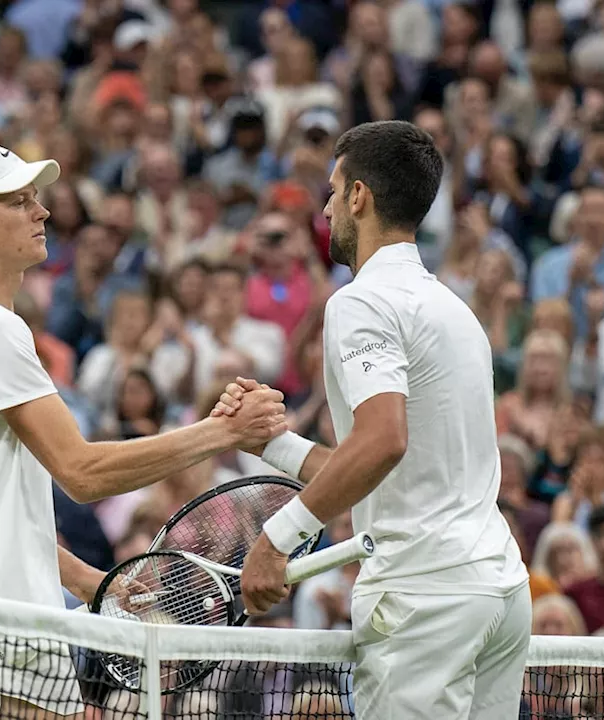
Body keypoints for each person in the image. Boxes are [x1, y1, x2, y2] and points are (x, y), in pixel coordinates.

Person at [0, 142, 288, 720]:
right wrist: (222, 432)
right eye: (19, 201)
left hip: (3, 609)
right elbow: (81, 472)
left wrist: (86, 578)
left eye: (37, 199)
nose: (42, 213)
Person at [215, 121, 531, 719]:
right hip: (498, 592)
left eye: (333, 192)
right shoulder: (453, 309)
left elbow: (383, 439)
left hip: (426, 600)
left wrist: (275, 540)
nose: (328, 207)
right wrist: (273, 443)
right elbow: (382, 465)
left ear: (359, 196)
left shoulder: (361, 300)